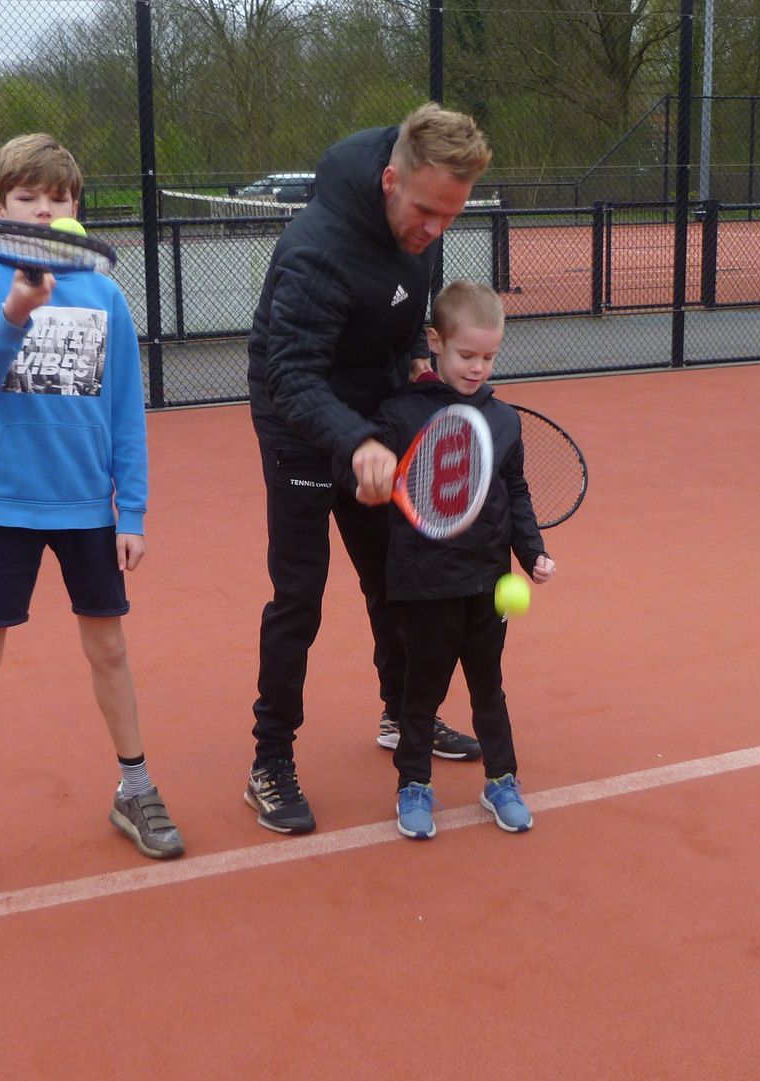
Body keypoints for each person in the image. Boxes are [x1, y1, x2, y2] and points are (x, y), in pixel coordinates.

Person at [0, 133, 183, 904]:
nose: (44, 209)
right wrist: (14, 309)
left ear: (74, 207)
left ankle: (135, 788)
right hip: (2, 502)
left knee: (109, 648)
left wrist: (132, 509)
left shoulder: (104, 293)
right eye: (28, 197)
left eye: (58, 197)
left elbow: (127, 408)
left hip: (87, 508)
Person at [245, 103, 494, 834]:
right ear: (391, 180)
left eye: (451, 215)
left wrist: (414, 364)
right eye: (426, 212)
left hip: (370, 416)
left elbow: (401, 320)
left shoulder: (420, 222)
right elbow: (291, 376)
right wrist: (355, 443)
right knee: (299, 597)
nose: (435, 230)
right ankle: (269, 760)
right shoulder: (317, 249)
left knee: (395, 579)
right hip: (298, 423)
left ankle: (402, 715)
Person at [364, 281, 554, 839]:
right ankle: (413, 786)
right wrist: (367, 473)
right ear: (436, 342)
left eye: (489, 357)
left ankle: (502, 780)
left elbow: (514, 492)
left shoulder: (503, 420)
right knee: (422, 691)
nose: (478, 368)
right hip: (424, 584)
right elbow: (367, 470)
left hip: (488, 582)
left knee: (488, 687)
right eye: (467, 354)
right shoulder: (399, 415)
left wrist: (532, 551)